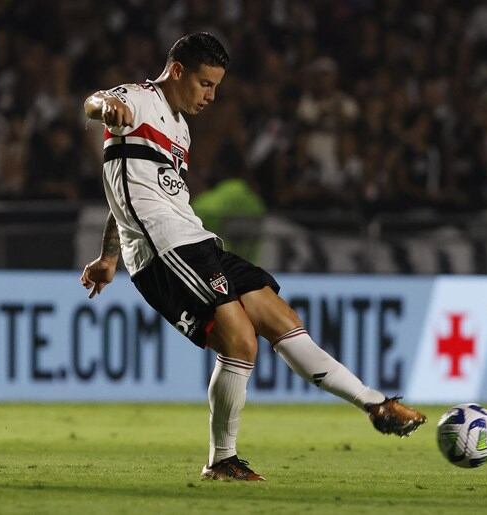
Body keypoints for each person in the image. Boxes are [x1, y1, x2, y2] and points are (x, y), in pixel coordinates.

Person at [79, 32, 426, 482]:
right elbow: (94, 103)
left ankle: (375, 404)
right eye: (205, 84)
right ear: (178, 71)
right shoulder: (137, 99)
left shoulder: (180, 129)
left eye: (216, 86)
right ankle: (222, 460)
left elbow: (126, 189)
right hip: (163, 251)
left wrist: (108, 258)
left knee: (280, 317)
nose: (211, 96)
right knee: (240, 340)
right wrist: (105, 106)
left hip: (197, 239)